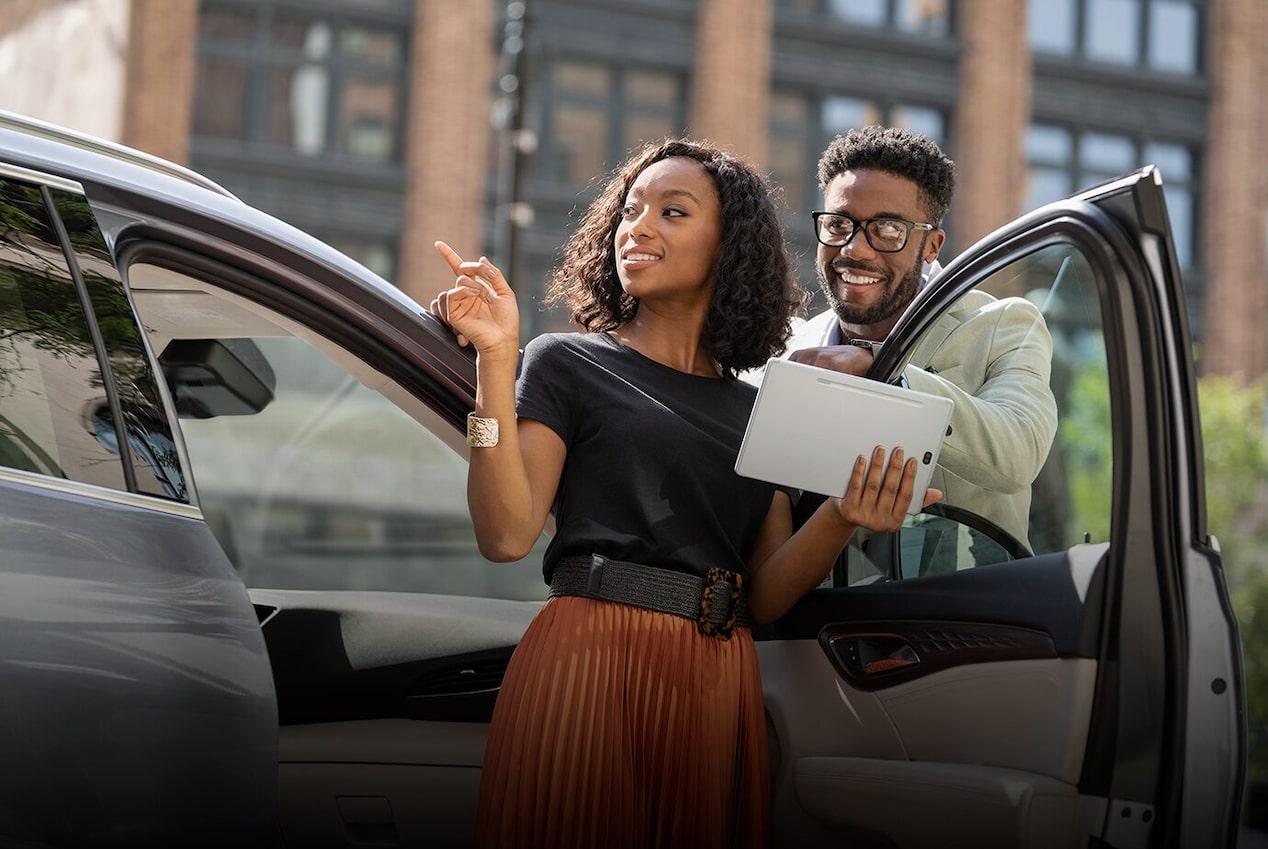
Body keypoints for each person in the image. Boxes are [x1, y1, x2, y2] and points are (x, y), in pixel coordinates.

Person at [429, 138, 939, 849]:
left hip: (716, 682)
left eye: (672, 211)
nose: (636, 227)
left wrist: (843, 514)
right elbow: (506, 533)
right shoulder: (565, 362)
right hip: (588, 662)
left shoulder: (759, 407)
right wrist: (493, 364)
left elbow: (762, 594)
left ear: (728, 245)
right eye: (630, 211)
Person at [778, 126, 1058, 552]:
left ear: (931, 245)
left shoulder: (1005, 324)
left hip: (952, 610)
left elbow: (1018, 453)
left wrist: (884, 374)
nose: (855, 249)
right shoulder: (790, 346)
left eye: (887, 230)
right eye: (838, 224)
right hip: (815, 616)